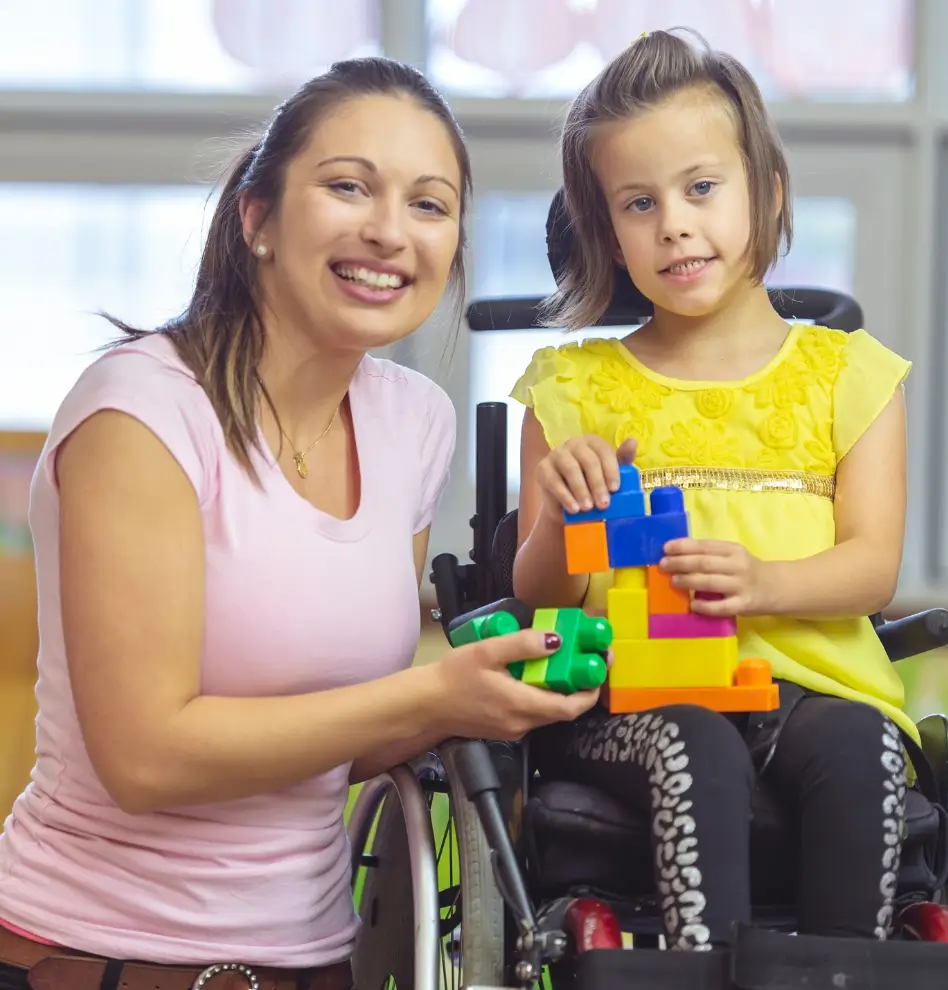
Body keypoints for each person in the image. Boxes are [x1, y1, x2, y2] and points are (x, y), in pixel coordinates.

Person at [0, 57, 599, 990]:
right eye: (348, 186)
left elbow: (336, 738)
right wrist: (436, 698)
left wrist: (497, 696)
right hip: (97, 958)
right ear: (258, 218)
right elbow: (144, 757)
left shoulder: (413, 422)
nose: (389, 232)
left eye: (430, 205)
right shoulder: (143, 413)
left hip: (314, 962)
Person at [512, 30, 912, 952]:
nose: (675, 225)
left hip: (809, 692)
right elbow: (539, 600)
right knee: (693, 742)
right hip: (632, 700)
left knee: (865, 749)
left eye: (701, 188)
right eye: (639, 203)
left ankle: (842, 977)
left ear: (765, 191)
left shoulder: (850, 375)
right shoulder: (571, 389)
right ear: (608, 232)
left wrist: (765, 584)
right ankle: (704, 974)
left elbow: (872, 568)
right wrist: (569, 518)